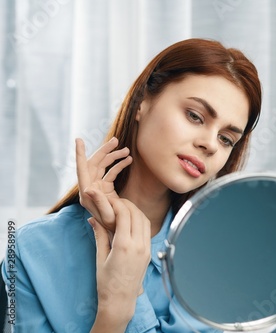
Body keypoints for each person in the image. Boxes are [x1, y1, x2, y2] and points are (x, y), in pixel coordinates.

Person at [2, 38, 262, 332]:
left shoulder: (217, 261)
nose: (210, 144)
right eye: (195, 116)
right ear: (141, 103)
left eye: (226, 139)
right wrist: (115, 309)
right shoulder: (30, 249)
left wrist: (125, 287)